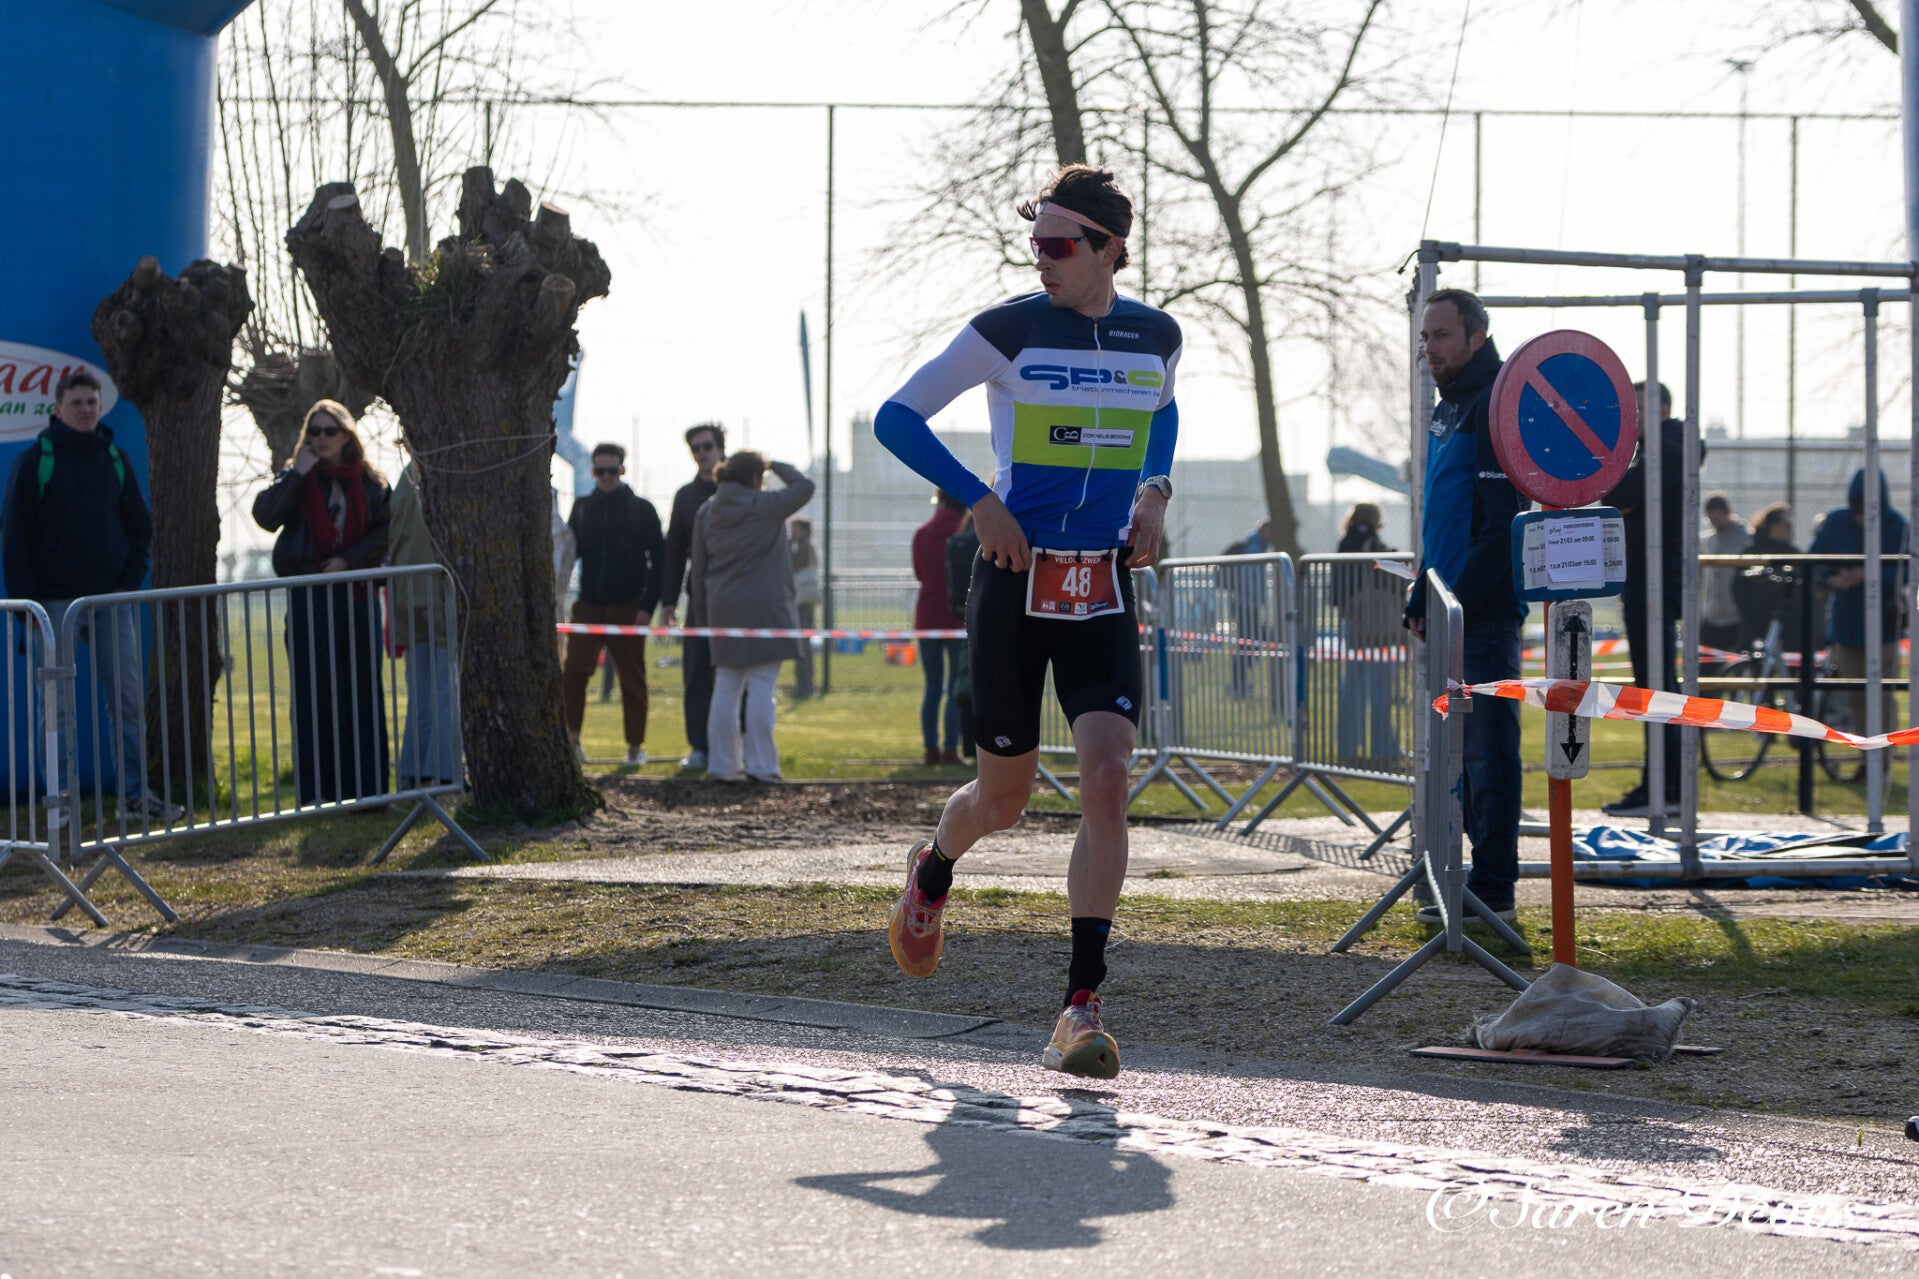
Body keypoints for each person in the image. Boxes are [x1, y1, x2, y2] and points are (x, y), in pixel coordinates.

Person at [873, 163, 1180, 1078]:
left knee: (1106, 777)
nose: (1040, 258)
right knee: (1001, 800)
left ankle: (1080, 1007)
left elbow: (1162, 412)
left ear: (1109, 249)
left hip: (1102, 583)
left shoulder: (1156, 334)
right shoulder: (1007, 329)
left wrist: (1155, 491)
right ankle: (932, 868)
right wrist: (979, 500)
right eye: (1034, 242)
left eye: (1057, 244)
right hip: (1014, 576)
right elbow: (897, 417)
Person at [1, 369, 177, 820]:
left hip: (108, 603)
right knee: (56, 711)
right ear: (58, 410)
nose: (85, 410)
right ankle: (61, 806)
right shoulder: (35, 463)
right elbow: (14, 536)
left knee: (128, 704)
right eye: (76, 403)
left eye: (92, 402)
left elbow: (140, 529)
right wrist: (28, 607)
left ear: (101, 407)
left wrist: (126, 583)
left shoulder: (115, 459)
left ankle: (135, 798)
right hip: (52, 606)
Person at [1403, 288, 1524, 925]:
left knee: (1487, 752)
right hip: (1450, 607)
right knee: (1459, 758)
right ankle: (1470, 878)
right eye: (1425, 337)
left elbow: (1501, 529)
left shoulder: (1496, 402)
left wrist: (1456, 604)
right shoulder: (1449, 403)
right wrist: (1421, 588)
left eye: (1442, 335)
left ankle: (1494, 887)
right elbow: (1446, 512)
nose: (1429, 348)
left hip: (1484, 615)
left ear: (1478, 337)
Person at [252, 400, 391, 805]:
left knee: (361, 690)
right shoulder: (296, 477)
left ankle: (367, 792)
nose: (322, 438)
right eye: (314, 431)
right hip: (309, 601)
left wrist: (348, 561)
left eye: (330, 431)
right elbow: (266, 516)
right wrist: (297, 474)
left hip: (357, 598)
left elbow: (384, 535)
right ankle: (318, 794)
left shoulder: (370, 482)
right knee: (314, 694)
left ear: (347, 435)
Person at [1599, 383, 1700, 819]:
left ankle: (1665, 787)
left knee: (1658, 688)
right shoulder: (1648, 450)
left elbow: (1619, 491)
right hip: (1644, 579)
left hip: (1660, 581)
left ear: (1659, 408)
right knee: (1653, 687)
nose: (1629, 419)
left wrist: (1627, 491)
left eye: (1635, 408)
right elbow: (1617, 493)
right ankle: (1661, 783)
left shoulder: (1678, 440)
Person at [689, 452, 815, 783]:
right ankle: (762, 766)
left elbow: (698, 570)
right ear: (757, 478)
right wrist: (776, 463)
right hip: (767, 609)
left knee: (726, 687)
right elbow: (804, 486)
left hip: (722, 609)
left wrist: (703, 617)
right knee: (761, 688)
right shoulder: (767, 505)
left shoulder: (707, 511)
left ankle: (722, 765)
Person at [561, 444, 663, 766]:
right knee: (573, 673)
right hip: (588, 605)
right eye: (599, 471)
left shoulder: (642, 509)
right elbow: (568, 554)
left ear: (622, 470)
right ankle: (571, 741)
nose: (606, 476)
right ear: (592, 472)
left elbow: (659, 561)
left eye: (612, 470)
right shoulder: (581, 508)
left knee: (632, 679)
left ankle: (634, 748)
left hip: (629, 607)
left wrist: (647, 607)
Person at [1807, 467, 1909, 742]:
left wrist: (1867, 575)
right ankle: (1867, 751)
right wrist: (1832, 578)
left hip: (1884, 625)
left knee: (1883, 695)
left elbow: (1907, 570)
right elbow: (1814, 560)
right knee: (1855, 694)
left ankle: (1883, 756)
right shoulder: (1837, 521)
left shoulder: (1897, 525)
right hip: (1847, 623)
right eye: (1858, 507)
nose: (1862, 515)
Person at [385, 454, 459, 790]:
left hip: (407, 592)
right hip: (437, 591)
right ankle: (442, 773)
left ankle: (414, 772)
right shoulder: (445, 469)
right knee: (445, 686)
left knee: (421, 689)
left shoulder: (405, 477)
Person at [660, 423, 725, 770]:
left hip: (736, 598)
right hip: (698, 598)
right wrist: (668, 602)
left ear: (720, 448)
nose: (702, 453)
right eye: (695, 448)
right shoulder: (685, 496)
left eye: (707, 446)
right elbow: (673, 552)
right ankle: (699, 747)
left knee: (736, 672)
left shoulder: (741, 489)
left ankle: (738, 743)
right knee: (696, 672)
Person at [1334, 503, 1398, 768]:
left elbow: (1337, 591)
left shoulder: (1343, 544)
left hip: (1353, 622)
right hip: (1378, 626)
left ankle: (1349, 745)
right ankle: (1384, 747)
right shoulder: (1377, 546)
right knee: (1381, 688)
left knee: (1353, 687)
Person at [913, 490, 968, 765]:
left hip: (927, 617)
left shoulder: (922, 533)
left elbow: (919, 573)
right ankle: (951, 749)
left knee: (932, 686)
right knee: (955, 685)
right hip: (958, 618)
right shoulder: (966, 534)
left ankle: (930, 749)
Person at [1735, 502, 1801, 652]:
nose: (1786, 529)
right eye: (1783, 524)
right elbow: (1738, 586)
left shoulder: (1793, 553)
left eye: (1789, 525)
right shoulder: (1752, 552)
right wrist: (1748, 612)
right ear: (1770, 525)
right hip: (1754, 621)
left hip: (1787, 624)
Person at [1219, 518, 1274, 698]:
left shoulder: (1255, 545)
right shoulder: (1255, 548)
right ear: (1265, 531)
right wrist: (1258, 601)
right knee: (1247, 646)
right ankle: (1238, 686)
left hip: (1247, 604)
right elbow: (1249, 579)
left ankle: (1238, 685)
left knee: (1248, 645)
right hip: (1247, 606)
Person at [944, 512, 980, 759]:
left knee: (961, 684)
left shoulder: (956, 543)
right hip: (988, 615)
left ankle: (964, 745)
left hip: (962, 614)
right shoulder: (981, 542)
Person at [1700, 492, 1750, 654]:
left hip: (1736, 614)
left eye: (1718, 517)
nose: (1715, 522)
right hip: (1712, 614)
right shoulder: (1709, 540)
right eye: (1711, 519)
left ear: (1727, 513)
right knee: (1708, 660)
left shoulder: (1745, 538)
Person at [789, 516, 820, 698]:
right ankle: (805, 683)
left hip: (802, 601)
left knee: (802, 643)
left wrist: (786, 544)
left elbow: (791, 564)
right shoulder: (806, 546)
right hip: (804, 600)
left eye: (795, 529)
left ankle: (805, 684)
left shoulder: (804, 547)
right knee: (802, 642)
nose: (792, 533)